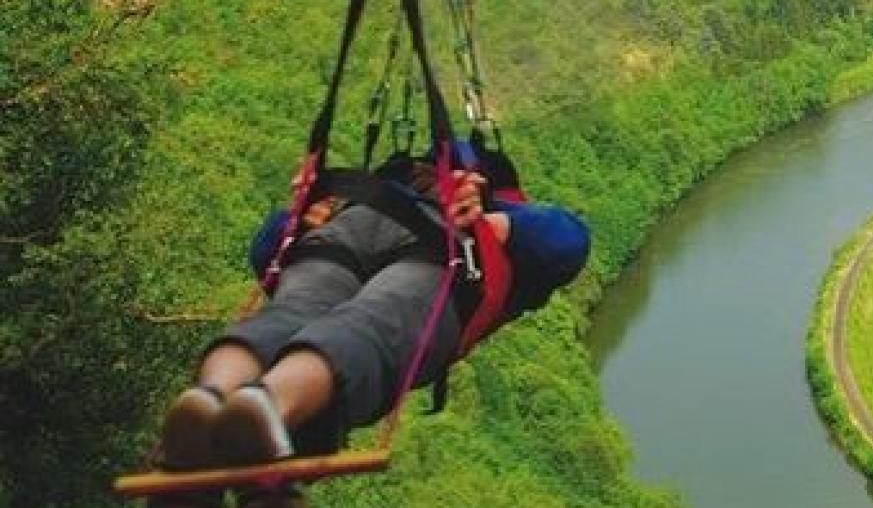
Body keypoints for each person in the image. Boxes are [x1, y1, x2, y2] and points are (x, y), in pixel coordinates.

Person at [150, 151, 590, 508]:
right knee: (376, 323)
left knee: (290, 311)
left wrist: (295, 219)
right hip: (442, 244)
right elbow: (572, 241)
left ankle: (213, 393)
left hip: (352, 223)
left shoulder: (374, 191)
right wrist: (495, 223)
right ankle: (267, 407)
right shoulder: (506, 211)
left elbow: (269, 257)